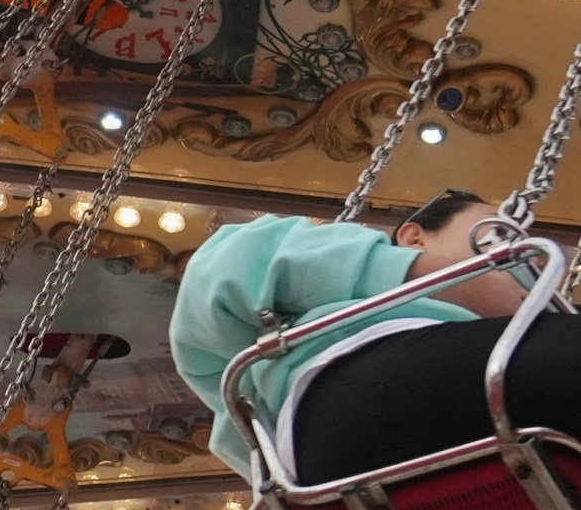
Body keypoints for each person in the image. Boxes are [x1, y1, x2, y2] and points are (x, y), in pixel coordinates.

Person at [171, 185, 578, 484]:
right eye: (497, 237)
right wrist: (429, 277)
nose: (524, 264)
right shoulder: (343, 261)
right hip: (365, 381)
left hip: (349, 471)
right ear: (414, 238)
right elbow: (222, 271)